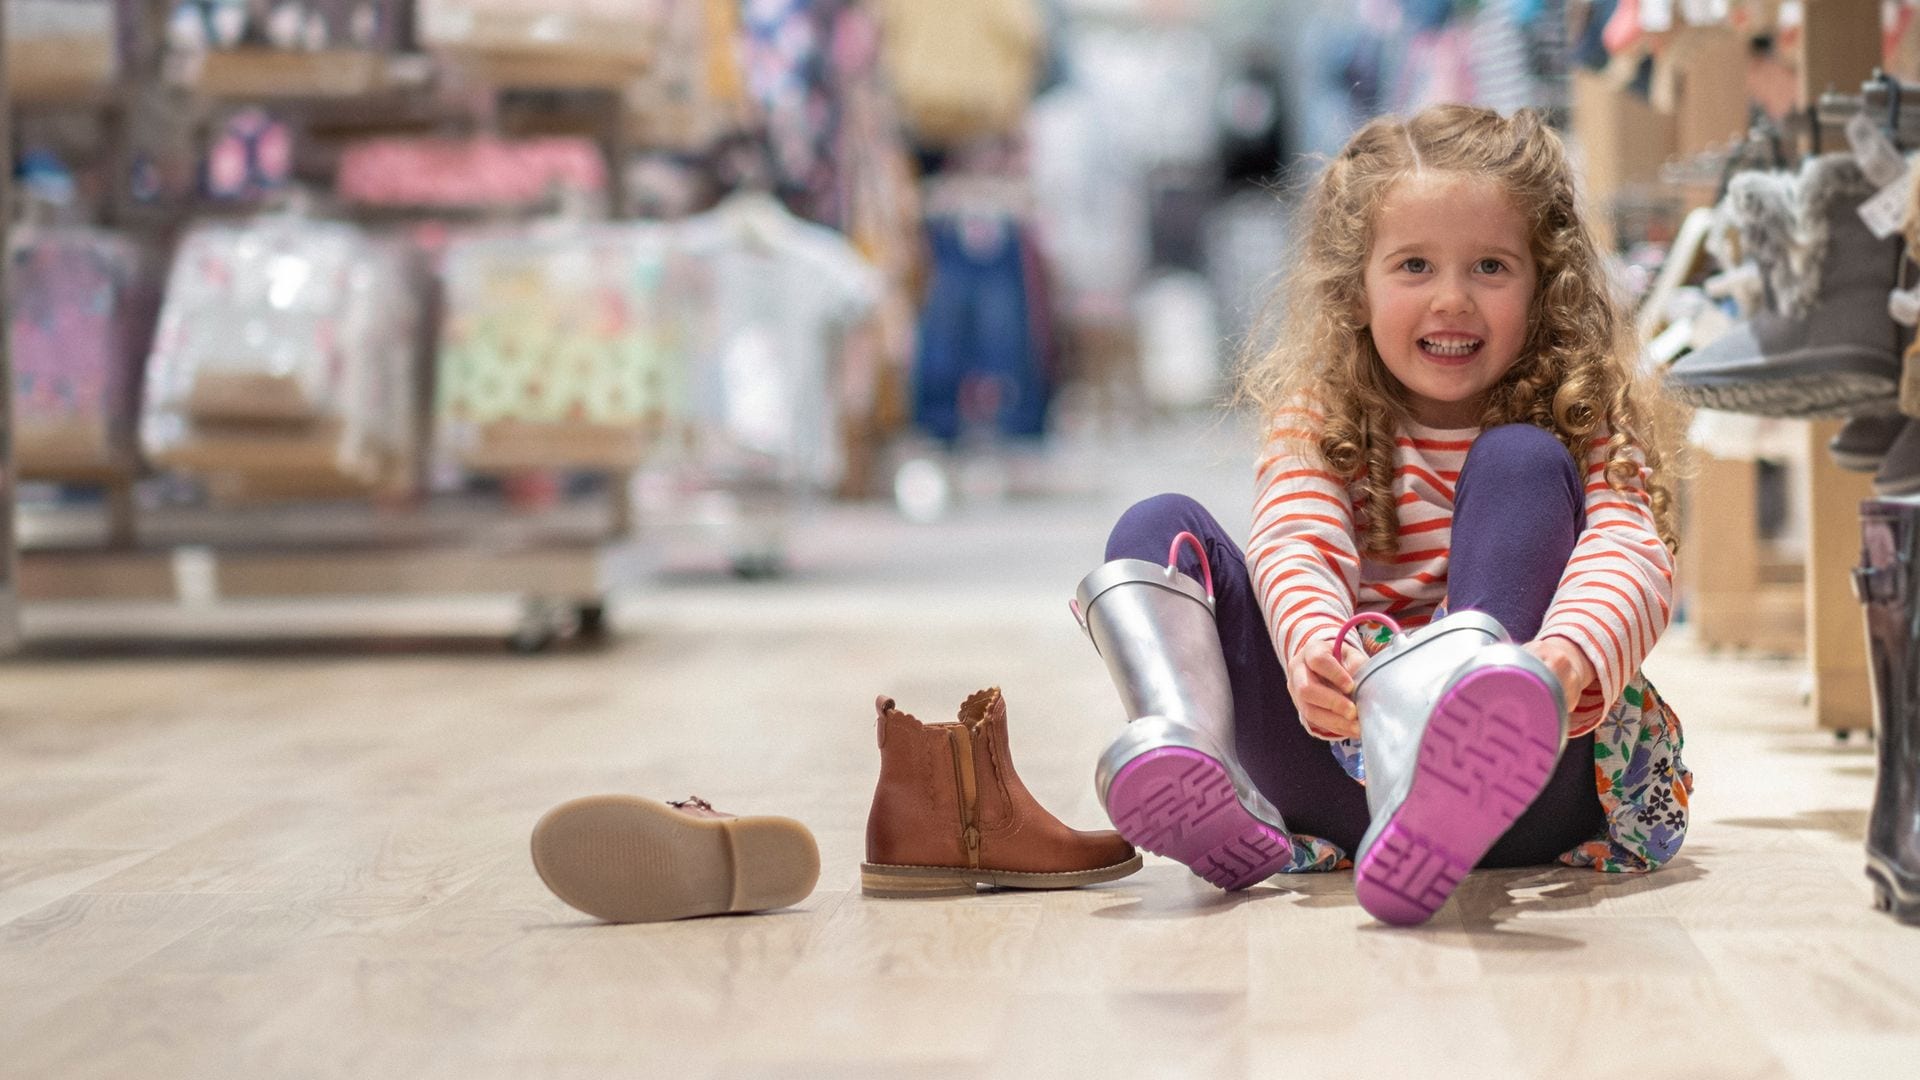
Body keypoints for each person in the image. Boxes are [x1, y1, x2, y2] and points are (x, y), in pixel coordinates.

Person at [1095, 104, 1693, 923]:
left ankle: (1459, 751)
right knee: (1157, 532)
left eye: (1490, 267)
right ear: (1357, 289)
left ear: (1545, 283)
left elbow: (1630, 550)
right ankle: (1204, 764)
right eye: (1414, 266)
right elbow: (1294, 539)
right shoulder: (1324, 411)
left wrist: (1558, 663)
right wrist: (1314, 653)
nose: (1452, 299)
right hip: (1344, 782)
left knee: (1521, 460)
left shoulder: (1578, 412)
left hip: (1531, 782)